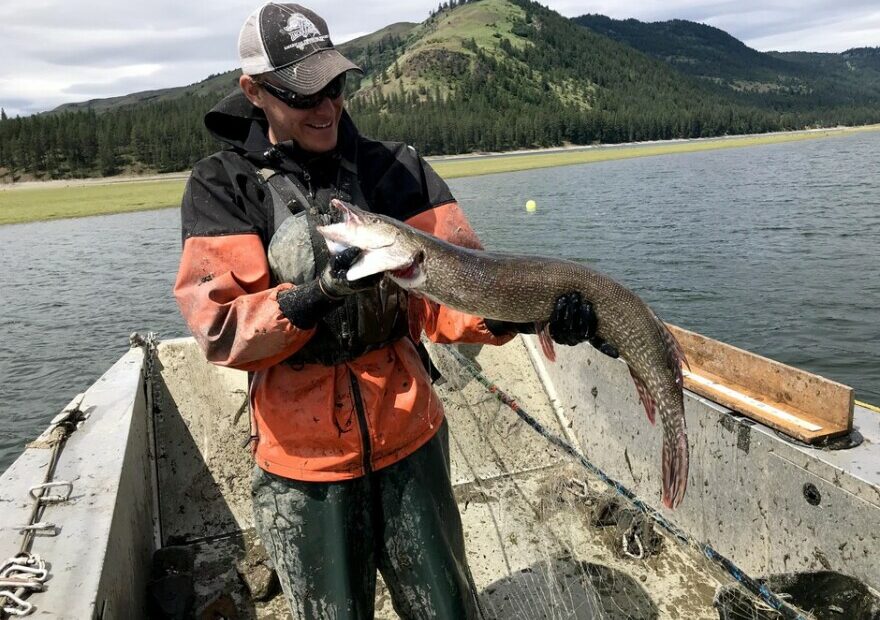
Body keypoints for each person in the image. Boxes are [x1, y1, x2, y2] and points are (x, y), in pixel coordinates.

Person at [173, 3, 614, 618]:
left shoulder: (396, 168)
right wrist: (314, 296)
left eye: (335, 85)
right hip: (303, 467)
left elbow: (457, 295)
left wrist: (525, 314)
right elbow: (220, 331)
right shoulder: (224, 186)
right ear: (254, 91)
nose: (326, 107)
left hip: (411, 438)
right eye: (304, 94)